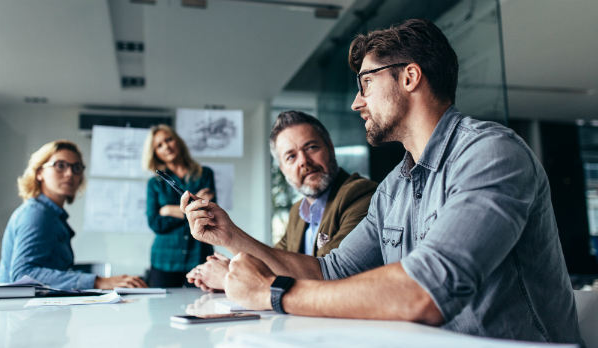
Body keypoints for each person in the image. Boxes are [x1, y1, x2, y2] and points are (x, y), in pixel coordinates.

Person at [181, 18, 583, 344]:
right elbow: (329, 271)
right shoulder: (393, 188)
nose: (357, 101)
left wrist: (272, 293)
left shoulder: (491, 154)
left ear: (410, 77)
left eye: (366, 83)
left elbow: (425, 290)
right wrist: (230, 236)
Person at [186, 111, 377, 291]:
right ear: (283, 169)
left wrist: (229, 275)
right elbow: (273, 263)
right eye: (291, 156)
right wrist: (233, 268)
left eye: (311, 147)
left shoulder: (361, 195)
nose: (303, 161)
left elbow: (329, 275)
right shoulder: (298, 212)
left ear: (330, 148)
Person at [0, 140, 147, 289]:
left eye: (76, 168)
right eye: (60, 165)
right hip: (21, 311)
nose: (70, 173)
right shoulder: (36, 213)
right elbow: (23, 275)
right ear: (39, 173)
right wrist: (98, 281)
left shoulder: (53, 216)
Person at [143, 124, 215, 287]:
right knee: (161, 310)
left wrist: (168, 210)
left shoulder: (205, 174)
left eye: (169, 140)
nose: (166, 146)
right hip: (164, 259)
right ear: (155, 153)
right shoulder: (155, 183)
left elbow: (209, 215)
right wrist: (192, 210)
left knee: (202, 307)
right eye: (159, 145)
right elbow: (155, 222)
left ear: (178, 141)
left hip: (199, 256)